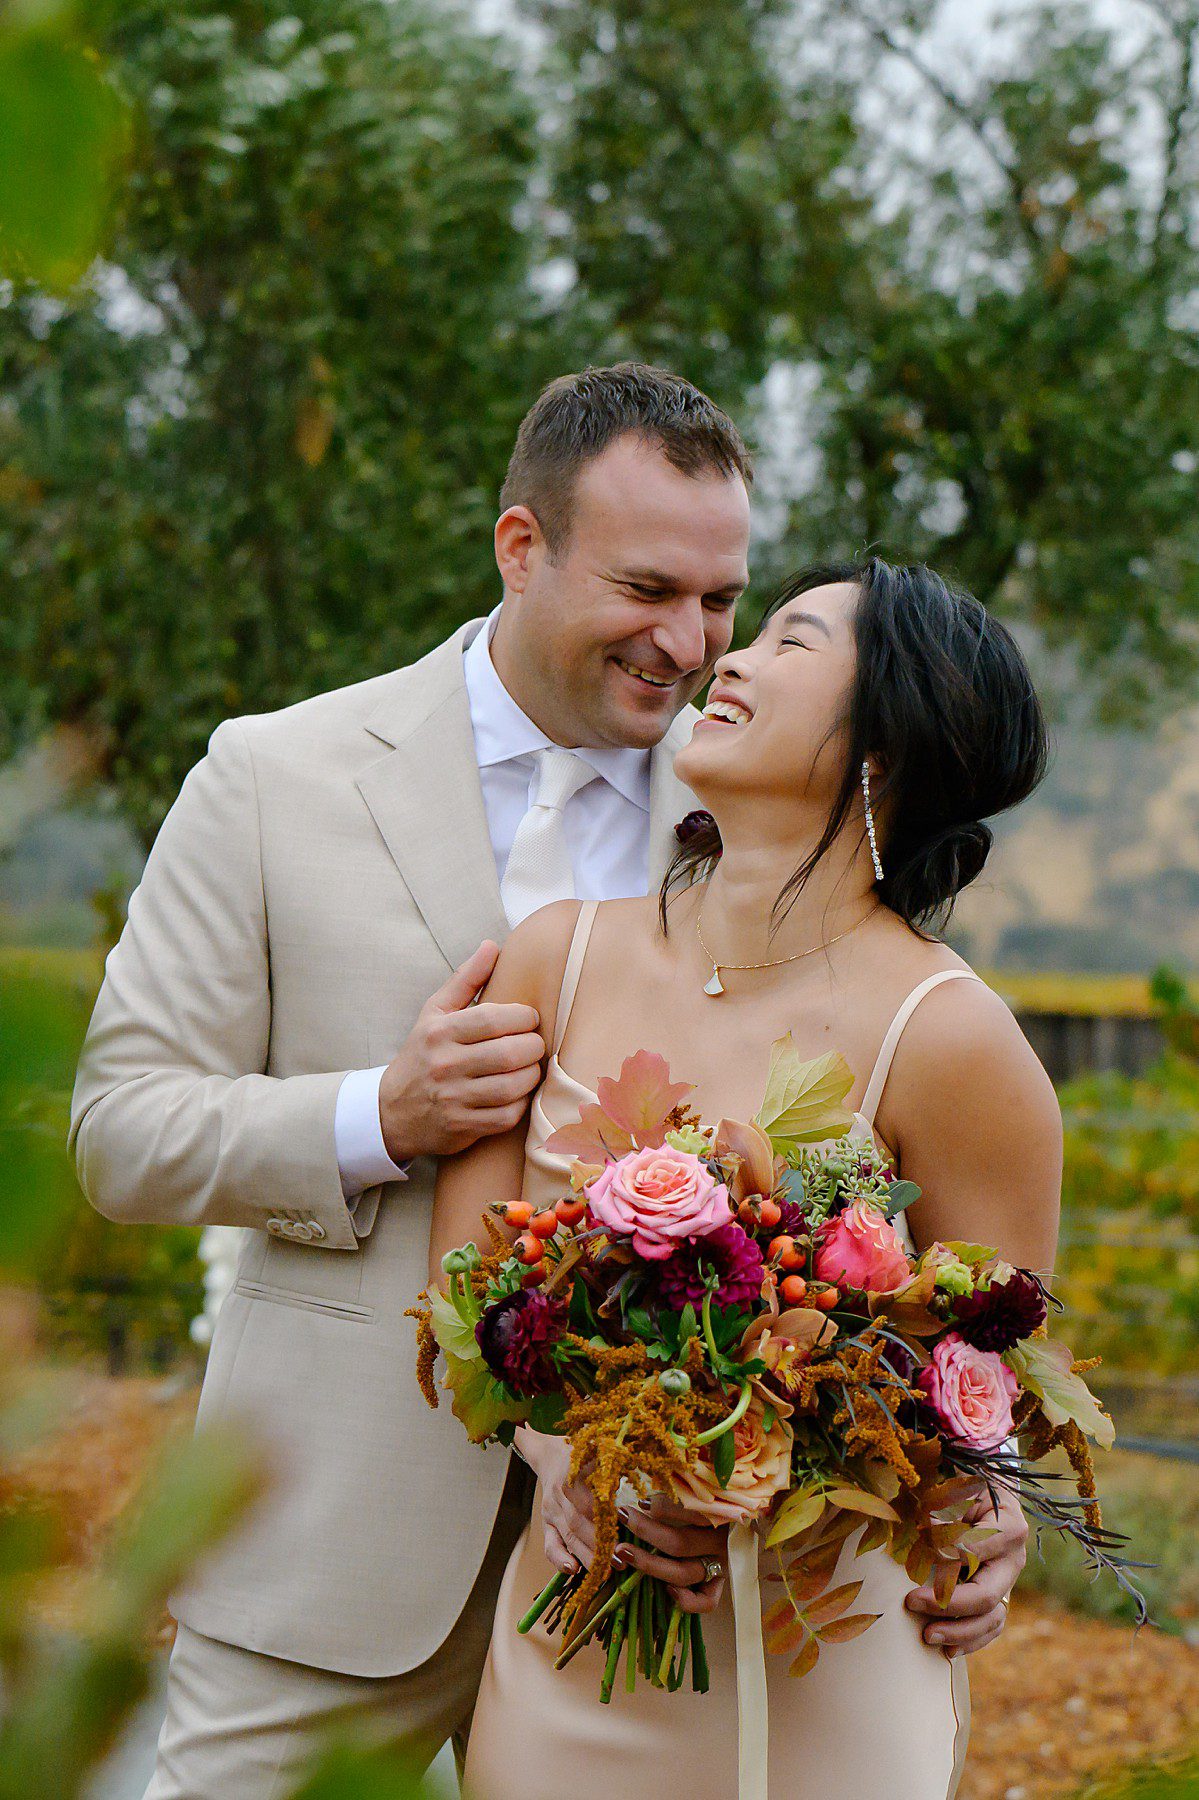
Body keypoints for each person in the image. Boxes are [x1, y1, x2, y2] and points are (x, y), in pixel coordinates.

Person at [69, 363, 756, 1795]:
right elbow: (120, 1131)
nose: (687, 645)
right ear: (520, 547)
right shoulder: (272, 776)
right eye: (646, 590)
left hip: (648, 1587)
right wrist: (377, 1116)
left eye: (719, 602)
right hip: (326, 1548)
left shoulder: (755, 811)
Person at [431, 558, 1060, 1800]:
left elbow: (992, 1368)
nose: (729, 658)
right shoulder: (555, 959)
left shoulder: (950, 1038)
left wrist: (987, 1513)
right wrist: (569, 1464)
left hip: (821, 1669)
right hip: (571, 1639)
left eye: (792, 643)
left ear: (884, 744)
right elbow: (463, 1303)